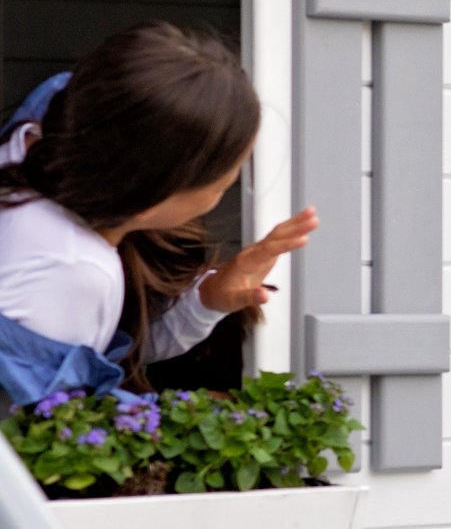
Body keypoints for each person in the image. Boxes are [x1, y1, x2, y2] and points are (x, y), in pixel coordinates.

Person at [0, 22, 319, 406]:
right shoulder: (74, 267)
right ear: (157, 194)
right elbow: (60, 433)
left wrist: (208, 300)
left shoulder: (45, 123)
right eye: (222, 183)